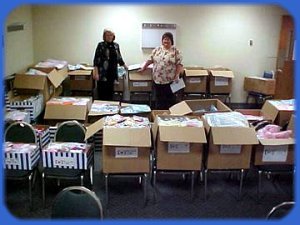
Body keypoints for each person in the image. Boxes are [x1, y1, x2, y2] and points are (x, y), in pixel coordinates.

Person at [138, 32, 183, 109]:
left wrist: (177, 75)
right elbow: (150, 60)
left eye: (168, 39)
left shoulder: (175, 51)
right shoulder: (157, 50)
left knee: (170, 99)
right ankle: (159, 114)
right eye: (164, 39)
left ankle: (169, 115)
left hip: (170, 80)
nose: (166, 41)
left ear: (171, 40)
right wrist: (144, 67)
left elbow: (179, 64)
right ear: (162, 40)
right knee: (159, 98)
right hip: (157, 80)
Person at [93, 29, 127, 100]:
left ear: (113, 36)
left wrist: (125, 66)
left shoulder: (116, 46)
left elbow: (119, 58)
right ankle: (101, 110)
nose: (109, 37)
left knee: (110, 93)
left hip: (112, 73)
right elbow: (96, 60)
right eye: (107, 35)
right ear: (104, 36)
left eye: (111, 35)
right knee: (102, 93)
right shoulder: (101, 45)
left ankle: (109, 109)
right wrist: (96, 73)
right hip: (102, 73)